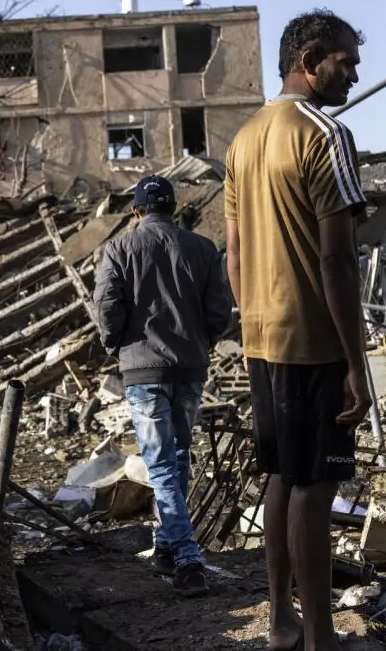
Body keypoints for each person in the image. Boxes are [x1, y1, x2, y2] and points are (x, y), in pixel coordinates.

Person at [225, 10, 373, 651]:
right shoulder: (326, 135)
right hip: (314, 342)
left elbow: (233, 255)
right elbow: (336, 261)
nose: (354, 75)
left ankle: (282, 622)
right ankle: (320, 638)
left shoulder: (243, 139)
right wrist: (356, 362)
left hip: (263, 340)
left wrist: (255, 319)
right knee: (316, 486)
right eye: (346, 62)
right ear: (310, 62)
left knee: (281, 476)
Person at [94, 174, 233, 598]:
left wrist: (116, 346)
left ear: (136, 210)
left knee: (161, 465)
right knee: (178, 457)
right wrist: (200, 344)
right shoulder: (203, 249)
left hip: (143, 372)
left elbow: (106, 307)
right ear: (173, 208)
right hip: (189, 370)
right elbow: (220, 311)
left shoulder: (119, 248)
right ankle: (167, 546)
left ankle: (188, 560)